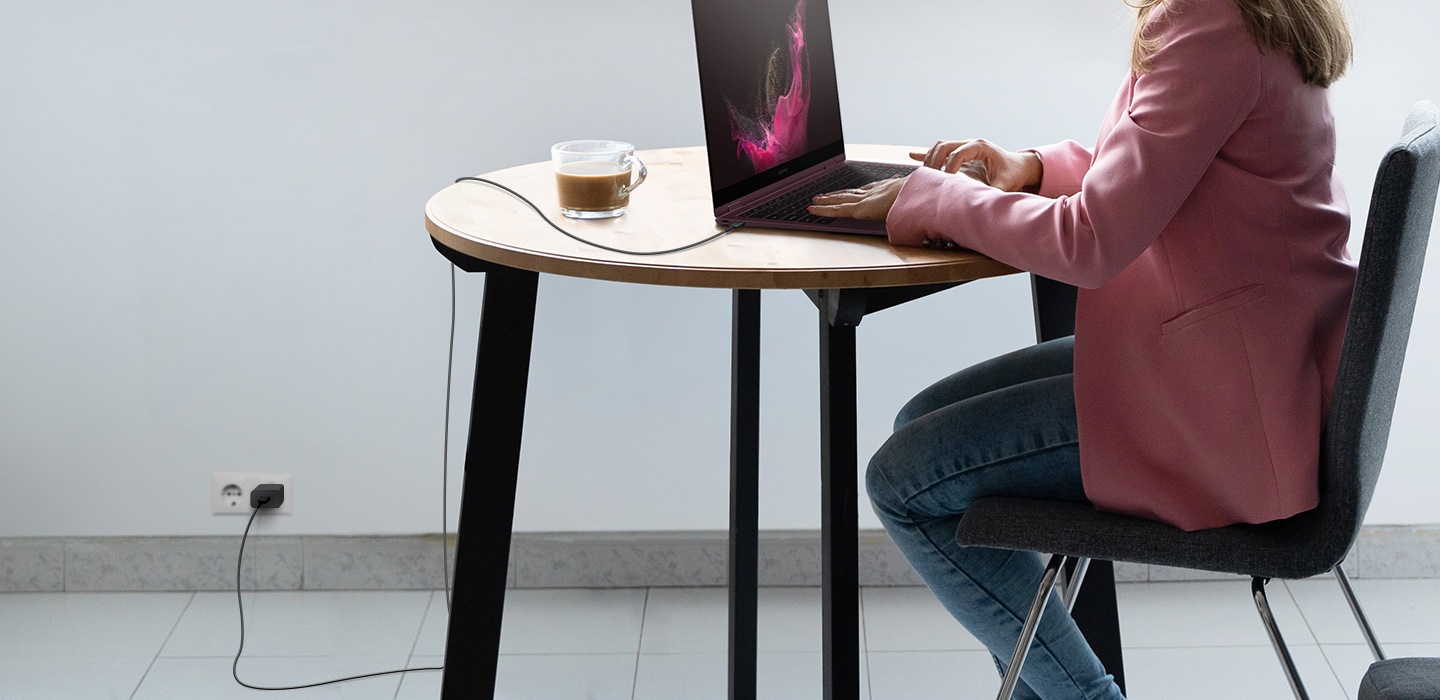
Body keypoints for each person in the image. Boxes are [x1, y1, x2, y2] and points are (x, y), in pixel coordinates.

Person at [808, 0, 1358, 697]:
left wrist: (934, 200)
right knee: (920, 423)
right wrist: (1034, 170)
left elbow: (1091, 243)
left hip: (1226, 410)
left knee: (903, 481)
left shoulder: (1212, 20)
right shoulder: (1254, 11)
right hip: (1253, 374)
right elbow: (1160, 167)